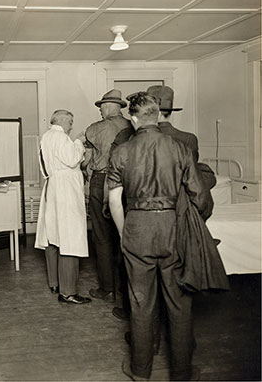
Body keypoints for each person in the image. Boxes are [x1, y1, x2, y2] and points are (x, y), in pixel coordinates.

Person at [108, 92, 207, 381]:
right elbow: (200, 198)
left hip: (137, 230)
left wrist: (126, 233)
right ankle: (182, 372)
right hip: (172, 231)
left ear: (134, 118)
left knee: (140, 303)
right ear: (158, 114)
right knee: (179, 303)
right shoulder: (179, 148)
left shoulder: (122, 151)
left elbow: (114, 201)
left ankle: (140, 371)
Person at [35, 109, 91, 305]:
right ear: (64, 120)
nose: (72, 126)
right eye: (71, 121)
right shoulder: (62, 137)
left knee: (53, 236)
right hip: (66, 191)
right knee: (70, 237)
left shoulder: (46, 137)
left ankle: (55, 282)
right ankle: (68, 292)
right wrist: (79, 141)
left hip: (52, 188)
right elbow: (72, 159)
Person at [84, 89, 133, 306]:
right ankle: (125, 288)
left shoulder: (98, 127)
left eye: (102, 107)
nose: (101, 110)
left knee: (101, 237)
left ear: (107, 107)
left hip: (102, 181)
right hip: (129, 183)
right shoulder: (132, 126)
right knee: (122, 235)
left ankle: (107, 288)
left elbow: (87, 142)